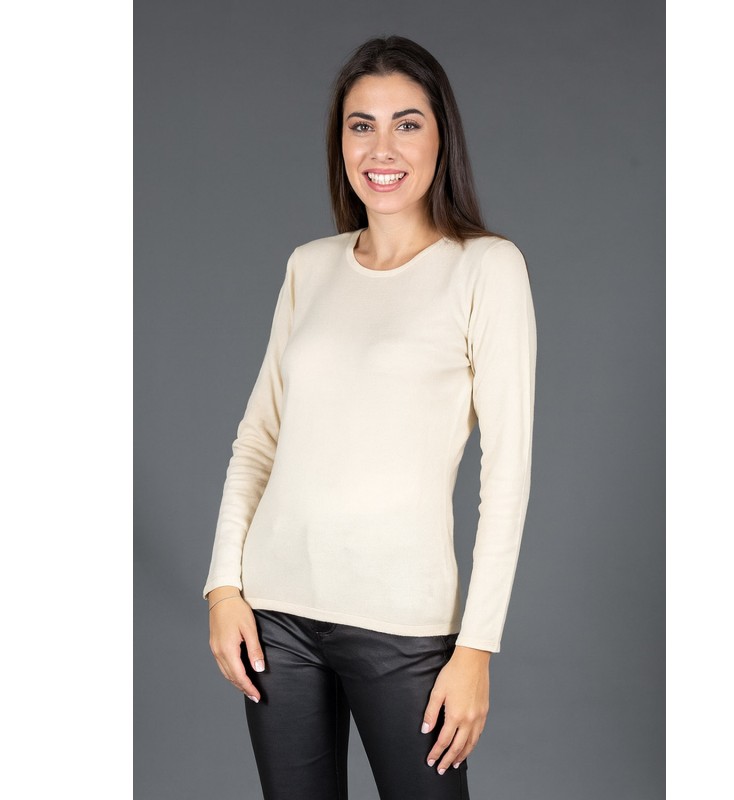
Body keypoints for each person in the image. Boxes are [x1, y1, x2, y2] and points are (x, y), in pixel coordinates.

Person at [203, 34, 537, 800]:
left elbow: (507, 472)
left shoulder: (486, 268)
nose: (382, 148)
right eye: (362, 125)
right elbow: (258, 440)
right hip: (276, 615)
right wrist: (224, 589)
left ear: (442, 137)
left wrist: (476, 647)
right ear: (341, 141)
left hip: (403, 624)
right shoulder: (309, 266)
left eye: (406, 123)